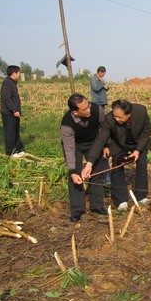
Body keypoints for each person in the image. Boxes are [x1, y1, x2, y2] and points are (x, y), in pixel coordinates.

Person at [82, 99, 151, 210]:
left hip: (139, 141)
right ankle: (121, 200)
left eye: (120, 117)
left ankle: (141, 196)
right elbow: (100, 140)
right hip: (119, 143)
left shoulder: (141, 111)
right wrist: (89, 163)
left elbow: (146, 131)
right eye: (115, 116)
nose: (116, 119)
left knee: (142, 164)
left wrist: (137, 151)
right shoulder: (109, 119)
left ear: (129, 114)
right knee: (117, 166)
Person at [60, 94, 107, 222]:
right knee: (76, 175)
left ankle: (97, 206)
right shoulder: (67, 125)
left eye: (88, 105)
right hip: (75, 145)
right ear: (75, 112)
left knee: (96, 171)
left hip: (94, 143)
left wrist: (106, 145)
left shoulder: (97, 110)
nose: (89, 109)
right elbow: (69, 149)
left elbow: (105, 129)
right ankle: (77, 209)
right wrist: (72, 171)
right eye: (85, 109)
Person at [1, 65, 26, 158]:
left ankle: (19, 149)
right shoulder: (7, 83)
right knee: (10, 132)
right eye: (19, 73)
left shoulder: (12, 83)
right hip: (9, 113)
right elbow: (7, 98)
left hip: (14, 113)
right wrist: (14, 110)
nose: (19, 74)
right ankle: (10, 152)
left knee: (15, 131)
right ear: (14, 73)